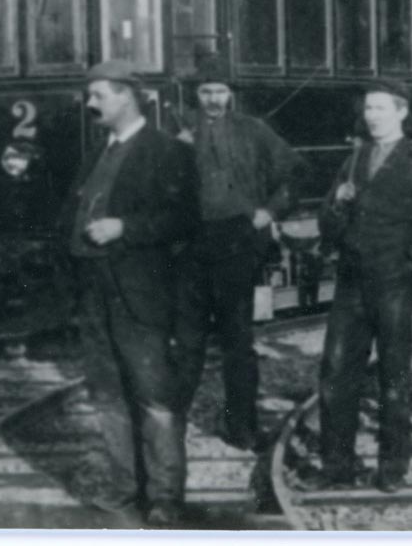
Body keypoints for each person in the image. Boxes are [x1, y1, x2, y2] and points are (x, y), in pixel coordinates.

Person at [57, 61, 200, 525]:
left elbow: (184, 220)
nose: (91, 103)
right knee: (108, 397)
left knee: (154, 398)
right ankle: (124, 490)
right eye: (90, 95)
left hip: (140, 295)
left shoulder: (166, 152)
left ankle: (164, 498)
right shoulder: (96, 153)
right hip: (95, 293)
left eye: (98, 95)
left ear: (127, 97)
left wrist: (125, 227)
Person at [314, 78, 412, 493]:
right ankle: (336, 464)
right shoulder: (354, 160)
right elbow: (328, 222)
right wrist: (337, 203)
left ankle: (393, 467)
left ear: (402, 113)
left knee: (394, 377)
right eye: (368, 109)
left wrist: (411, 266)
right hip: (351, 284)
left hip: (395, 284)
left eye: (380, 108)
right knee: (336, 372)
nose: (372, 116)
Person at [173, 58, 301, 453]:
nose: (213, 99)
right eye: (206, 91)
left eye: (221, 92)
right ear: (196, 94)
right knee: (186, 341)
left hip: (237, 243)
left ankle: (241, 427)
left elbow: (293, 173)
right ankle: (170, 426)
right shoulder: (178, 134)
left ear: (231, 94)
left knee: (237, 339)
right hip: (190, 244)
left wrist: (271, 211)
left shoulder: (253, 131)